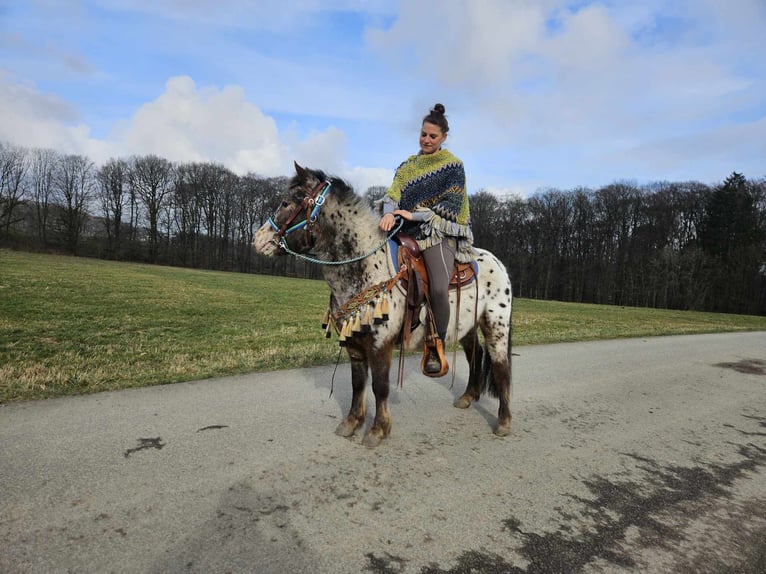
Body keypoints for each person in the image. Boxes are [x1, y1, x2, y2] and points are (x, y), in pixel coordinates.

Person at [379, 103, 475, 375]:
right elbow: (392, 194)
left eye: (433, 136)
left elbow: (451, 206)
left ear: (444, 137)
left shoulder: (454, 166)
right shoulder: (407, 166)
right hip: (403, 231)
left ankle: (436, 344)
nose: (426, 140)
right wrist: (388, 214)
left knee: (437, 289)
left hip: (438, 233)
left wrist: (414, 215)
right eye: (423, 134)